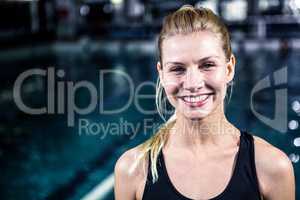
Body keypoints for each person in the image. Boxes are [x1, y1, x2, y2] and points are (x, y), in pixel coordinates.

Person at [114, 5, 295, 200]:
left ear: (229, 69)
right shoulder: (131, 170)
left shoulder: (272, 168)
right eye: (177, 69)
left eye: (207, 65)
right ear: (161, 74)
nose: (192, 84)